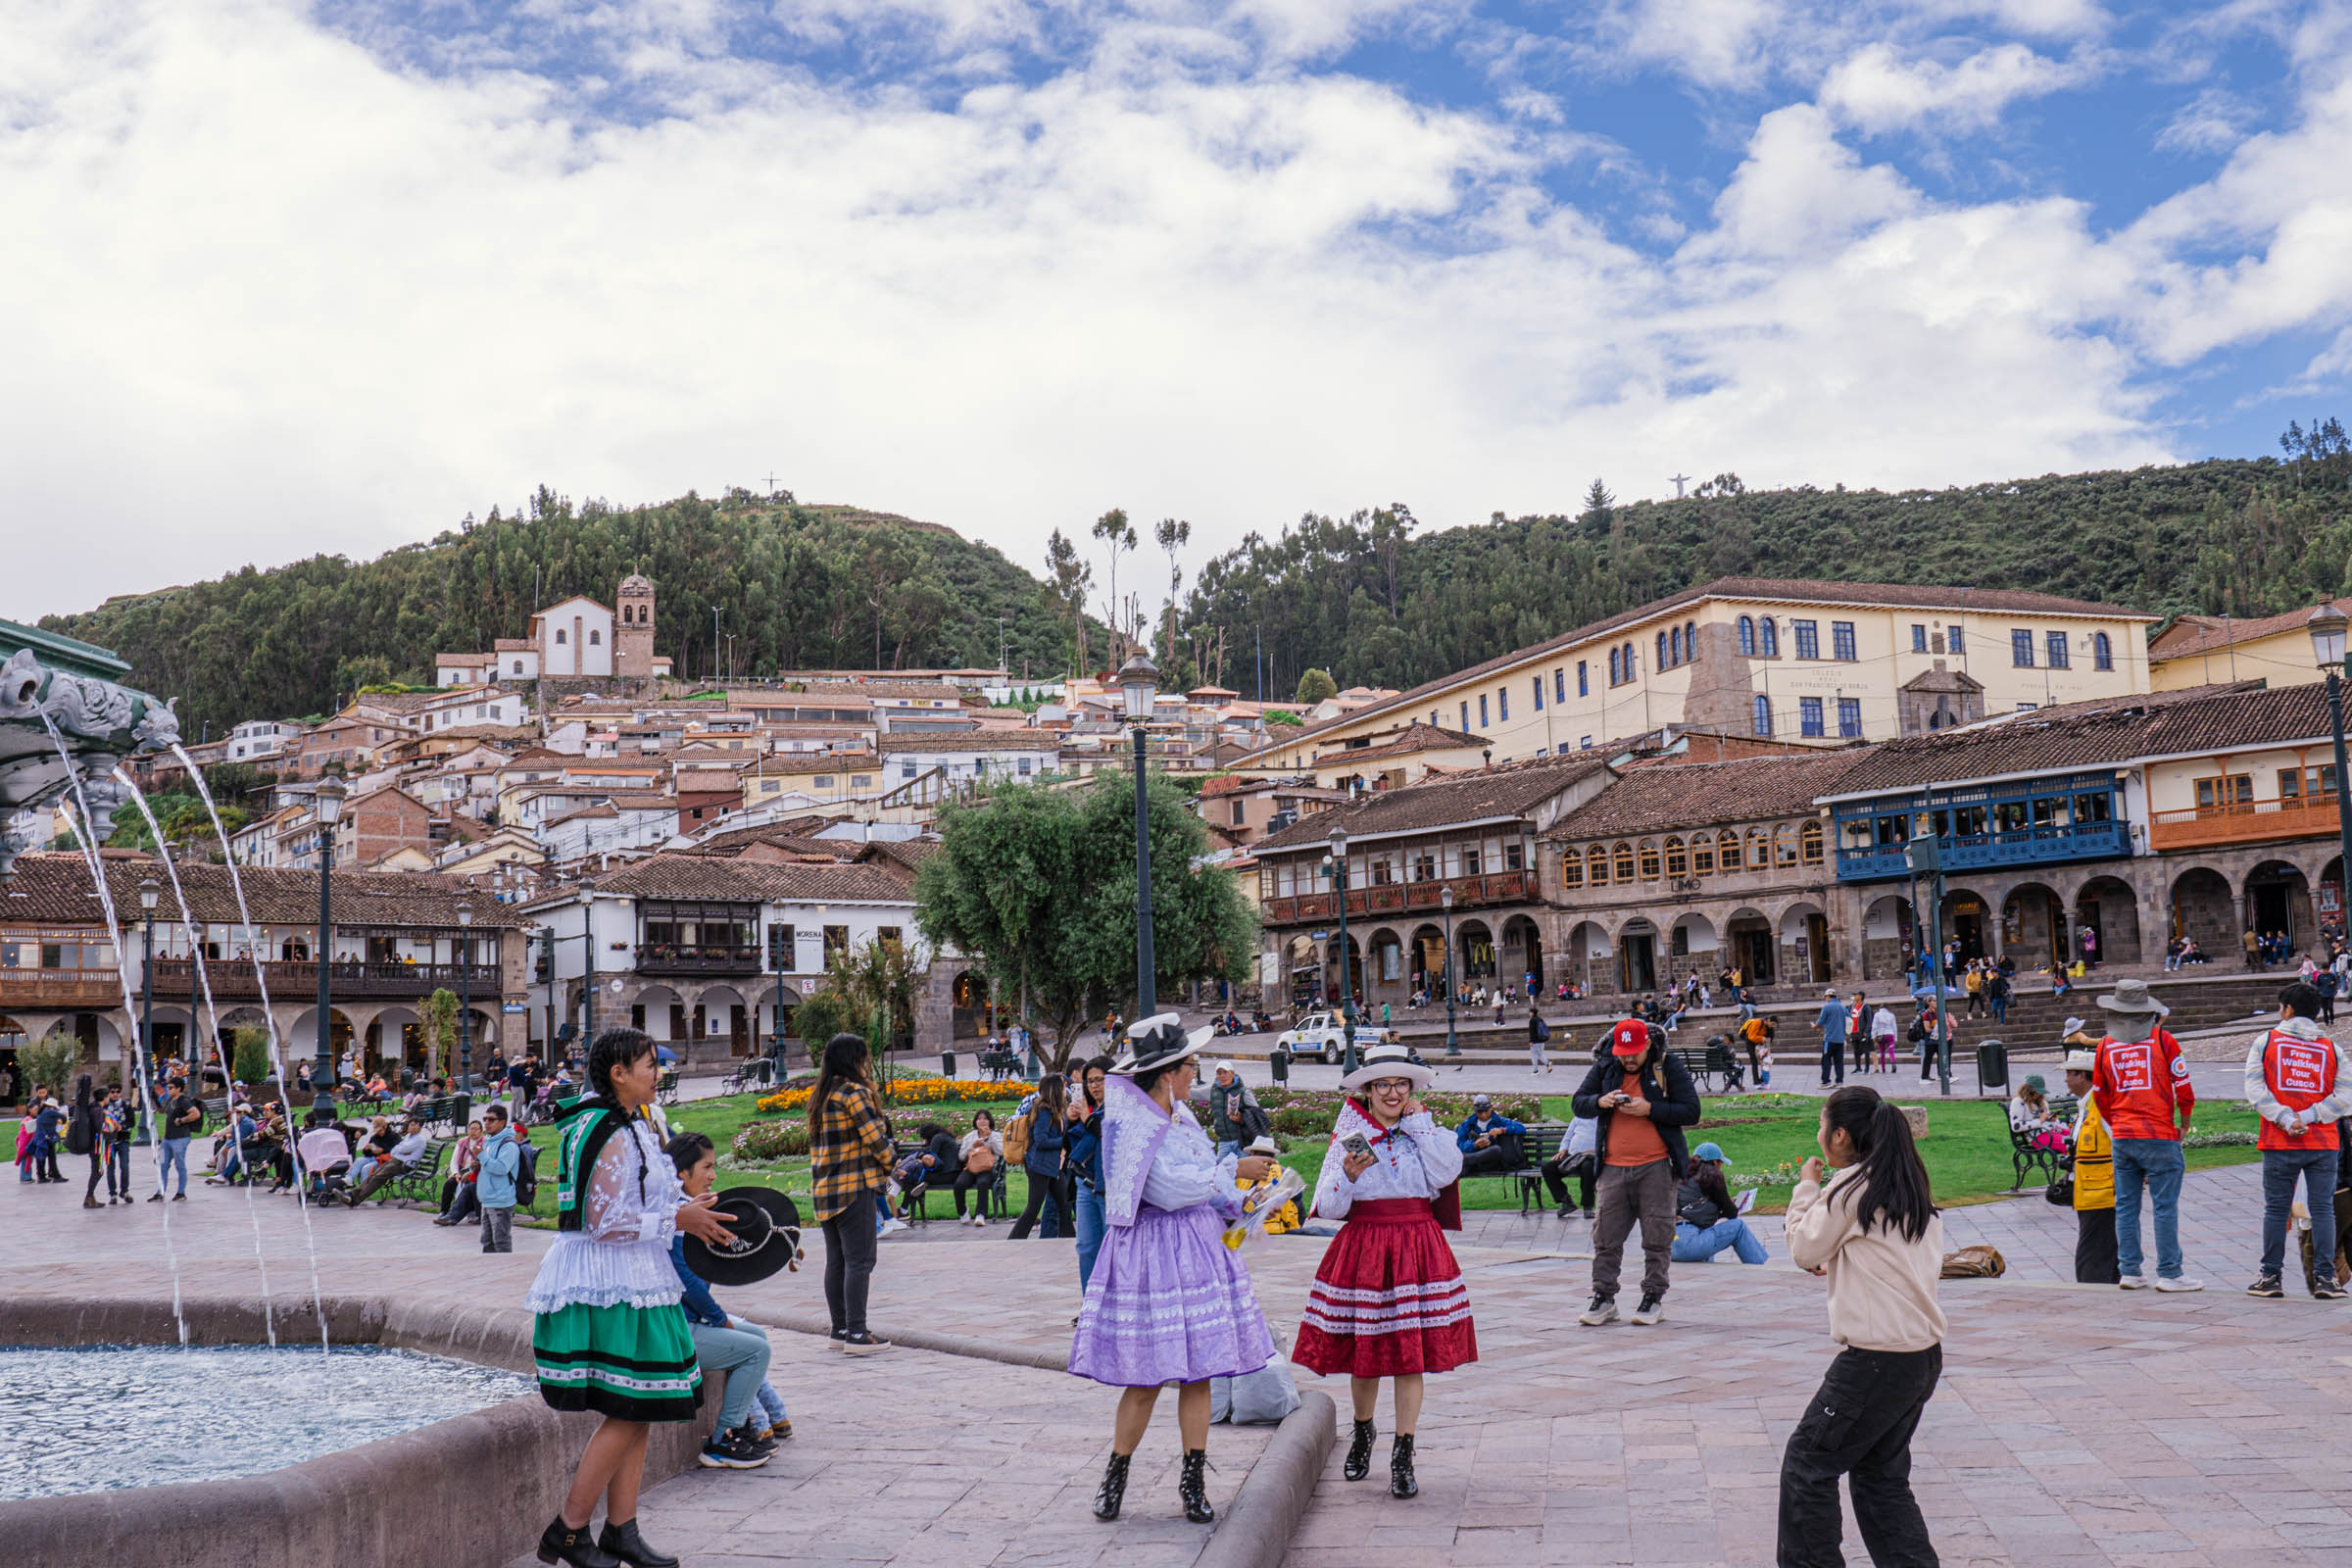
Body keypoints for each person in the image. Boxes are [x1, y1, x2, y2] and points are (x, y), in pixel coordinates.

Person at [526, 1027, 737, 1568]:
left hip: (638, 1277)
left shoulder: (638, 1121)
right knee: (629, 1408)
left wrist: (694, 1212)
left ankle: (621, 1529)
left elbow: (648, 1200)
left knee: (641, 1407)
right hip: (609, 1282)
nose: (658, 1073)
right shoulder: (606, 1127)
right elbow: (602, 1223)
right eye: (649, 1065)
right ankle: (570, 1530)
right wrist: (677, 1217)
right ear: (619, 1074)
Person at [1072, 1014, 1275, 1525]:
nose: (1195, 1073)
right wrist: (1231, 1170)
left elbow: (1203, 1183)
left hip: (1197, 1248)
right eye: (1191, 1065)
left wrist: (1250, 1198)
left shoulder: (1180, 1117)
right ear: (1167, 1072)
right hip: (1153, 1255)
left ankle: (1193, 1480)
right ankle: (1115, 1474)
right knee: (1144, 1377)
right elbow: (1167, 1187)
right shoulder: (1131, 1124)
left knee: (1200, 1372)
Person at [1295, 1040, 1473, 1501]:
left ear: (1411, 1089)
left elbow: (1446, 1173)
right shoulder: (1353, 1138)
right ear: (1368, 1091)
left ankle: (1404, 1454)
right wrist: (1348, 1176)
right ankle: (1363, 1431)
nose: (1392, 1093)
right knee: (1367, 1352)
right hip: (1367, 1247)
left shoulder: (1426, 1131)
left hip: (1418, 1245)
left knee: (1410, 1354)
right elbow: (1330, 1206)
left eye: (1400, 1085)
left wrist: (1418, 1124)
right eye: (1382, 1086)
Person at [1779, 1085, 1946, 1568]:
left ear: (1840, 1136)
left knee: (1807, 1465)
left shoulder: (1849, 1188)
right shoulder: (1908, 1183)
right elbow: (1882, 1257)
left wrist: (1806, 1187)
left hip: (1874, 1363)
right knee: (1880, 1476)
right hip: (1919, 1357)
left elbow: (1804, 1249)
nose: (1819, 1134)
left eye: (1822, 1124)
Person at [1574, 1016, 1701, 1327]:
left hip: (1656, 1167)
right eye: (1623, 1053)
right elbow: (1578, 1103)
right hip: (1613, 1169)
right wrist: (1600, 1101)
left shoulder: (1666, 1066)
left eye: (1634, 1053)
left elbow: (1691, 1110)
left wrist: (1651, 1109)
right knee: (1605, 1237)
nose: (1629, 1059)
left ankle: (1652, 1297)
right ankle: (1604, 1298)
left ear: (1646, 1045)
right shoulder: (1606, 1067)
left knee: (1656, 1237)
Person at [663, 1131, 778, 1469]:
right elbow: (690, 1287)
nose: (714, 1175)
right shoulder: (679, 1221)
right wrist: (718, 1318)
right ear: (682, 1173)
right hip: (676, 1328)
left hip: (689, 1320)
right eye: (707, 1167)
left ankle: (761, 1423)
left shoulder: (689, 1213)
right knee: (758, 1350)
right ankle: (723, 1439)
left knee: (755, 1336)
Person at [2092, 977, 2201, 1293]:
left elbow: (2100, 1095)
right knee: (2164, 1205)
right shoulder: (2164, 1041)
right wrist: (2185, 1121)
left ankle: (2130, 1270)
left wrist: (2117, 1124)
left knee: (2126, 1205)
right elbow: (2183, 1087)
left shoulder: (2104, 1046)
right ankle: (2170, 1272)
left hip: (2124, 1136)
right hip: (2159, 1134)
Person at [2243, 981, 2350, 1300]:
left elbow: (2255, 1091)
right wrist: (2313, 1115)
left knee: (2276, 1210)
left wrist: (2287, 1118)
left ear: (2287, 1010)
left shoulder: (2267, 1042)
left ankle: (2270, 1277)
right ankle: (2325, 1278)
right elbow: (2345, 1096)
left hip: (2280, 1140)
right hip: (2322, 1141)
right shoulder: (2332, 1049)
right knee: (2322, 1210)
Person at [807, 1033, 893, 1353]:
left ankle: (840, 1328)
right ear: (855, 1060)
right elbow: (876, 1139)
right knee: (860, 1260)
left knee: (837, 1261)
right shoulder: (853, 1093)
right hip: (854, 1187)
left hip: (825, 1190)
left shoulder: (821, 1096)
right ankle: (857, 1332)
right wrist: (891, 1160)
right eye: (864, 1058)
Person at [2062, 1050, 2118, 1285]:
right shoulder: (2084, 1106)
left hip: (2102, 1192)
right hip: (2087, 1191)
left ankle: (2093, 1292)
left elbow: (2120, 1140)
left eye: (2069, 1074)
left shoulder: (2101, 1105)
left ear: (2082, 1076)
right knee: (2104, 1248)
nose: (2065, 1079)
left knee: (2091, 1254)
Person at [1670, 1142, 1767, 1264]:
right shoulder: (1712, 1174)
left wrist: (1717, 1207)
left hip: (1671, 1243)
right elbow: (1731, 1213)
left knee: (1706, 1233)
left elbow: (1695, 1212)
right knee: (1738, 1226)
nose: (1721, 1166)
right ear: (1715, 1162)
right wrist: (1732, 1204)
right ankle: (1759, 1268)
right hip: (1687, 1244)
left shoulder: (1683, 1175)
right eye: (1721, 1162)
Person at [1009, 1073, 1069, 1240]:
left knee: (1065, 1204)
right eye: (1064, 1086)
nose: (1066, 1090)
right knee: (1033, 1208)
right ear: (1055, 1089)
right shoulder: (1044, 1111)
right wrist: (1064, 1142)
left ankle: (1069, 1237)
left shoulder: (1059, 1111)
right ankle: (1013, 1241)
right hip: (1039, 1166)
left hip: (1053, 1166)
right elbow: (1041, 1141)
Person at [1071, 1056, 1112, 1291]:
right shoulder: (1089, 1109)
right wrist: (1071, 1121)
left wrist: (1088, 1122)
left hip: (1107, 1187)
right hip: (1085, 1184)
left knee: (1111, 1249)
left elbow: (1110, 1138)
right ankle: (1089, 1305)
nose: (1094, 1086)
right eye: (1090, 1081)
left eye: (1100, 1080)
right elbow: (1074, 1147)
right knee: (1086, 1246)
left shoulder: (1119, 1108)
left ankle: (1111, 1306)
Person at [345, 1117, 430, 1205]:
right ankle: (353, 1193)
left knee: (380, 1176)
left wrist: (399, 1150)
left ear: (420, 1127)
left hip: (405, 1165)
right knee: (375, 1174)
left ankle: (355, 1200)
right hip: (396, 1161)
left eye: (414, 1125)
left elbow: (401, 1149)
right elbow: (395, 1151)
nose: (411, 1127)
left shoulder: (419, 1139)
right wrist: (400, 1151)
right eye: (410, 1125)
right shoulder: (409, 1137)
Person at [474, 1105, 522, 1251]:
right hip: (488, 1199)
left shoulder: (508, 1145)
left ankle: (505, 1268)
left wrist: (482, 1156)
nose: (487, 1123)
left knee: (501, 1241)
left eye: (491, 1119)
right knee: (487, 1242)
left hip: (501, 1200)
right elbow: (489, 1165)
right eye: (485, 1119)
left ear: (502, 1122)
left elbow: (501, 1168)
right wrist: (477, 1163)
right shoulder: (489, 1141)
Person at [1540, 1106, 1598, 1220]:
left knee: (1588, 1168)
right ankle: (1566, 1201)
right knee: (1548, 1168)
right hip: (1573, 1157)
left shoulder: (1603, 1119)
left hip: (1591, 1157)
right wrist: (1563, 1149)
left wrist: (1596, 1150)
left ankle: (1588, 1206)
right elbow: (1568, 1136)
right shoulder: (1578, 1119)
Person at [954, 1107, 1004, 1226]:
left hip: (987, 1168)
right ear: (975, 1122)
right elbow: (961, 1156)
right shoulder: (970, 1136)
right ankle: (963, 1211)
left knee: (983, 1183)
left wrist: (989, 1139)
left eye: (985, 1118)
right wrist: (972, 1147)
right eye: (979, 1118)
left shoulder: (995, 1135)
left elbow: (1001, 1152)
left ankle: (980, 1215)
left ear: (990, 1121)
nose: (982, 1121)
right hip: (971, 1167)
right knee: (959, 1184)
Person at [1454, 1096, 1525, 1176]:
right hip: (1475, 1164)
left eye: (1486, 1111)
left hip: (1495, 1162)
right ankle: (1469, 1160)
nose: (1483, 1115)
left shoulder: (1499, 1121)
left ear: (1491, 1108)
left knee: (1496, 1150)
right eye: (1480, 1112)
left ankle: (1467, 1160)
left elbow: (1521, 1128)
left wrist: (1502, 1130)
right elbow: (1460, 1145)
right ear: (1475, 1111)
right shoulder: (1467, 1124)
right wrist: (1474, 1145)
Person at [436, 1118, 486, 1226]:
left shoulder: (485, 1143)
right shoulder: (462, 1142)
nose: (473, 1131)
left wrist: (471, 1173)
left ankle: (467, 1213)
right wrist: (455, 1173)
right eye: (471, 1129)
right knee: (450, 1183)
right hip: (462, 1171)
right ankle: (444, 1211)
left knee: (470, 1184)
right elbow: (454, 1161)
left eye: (476, 1129)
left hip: (476, 1172)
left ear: (481, 1131)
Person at [1206, 1062, 1258, 1159]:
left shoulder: (1244, 1092)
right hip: (1224, 1142)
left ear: (1232, 1073)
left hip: (1242, 1141)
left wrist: (1241, 1119)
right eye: (1219, 1073)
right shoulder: (1212, 1091)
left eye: (1225, 1072)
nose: (1222, 1076)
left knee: (1244, 1172)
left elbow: (1258, 1115)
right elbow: (1190, 1093)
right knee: (1220, 1171)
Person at [2007, 1076, 2069, 1152]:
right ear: (2028, 1090)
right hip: (2037, 1136)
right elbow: (2016, 1127)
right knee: (2069, 1143)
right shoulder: (2019, 1102)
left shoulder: (2042, 1102)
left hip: (2050, 1131)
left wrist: (2051, 1119)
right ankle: (2069, 1162)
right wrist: (2039, 1121)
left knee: (2077, 1137)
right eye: (2036, 1091)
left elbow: (2045, 1120)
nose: (2039, 1094)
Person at [1815, 989, 1846, 1087]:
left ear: (1828, 996)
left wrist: (1814, 1026)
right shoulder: (1842, 1006)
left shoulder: (1827, 1006)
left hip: (1829, 1039)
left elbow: (1820, 1022)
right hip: (1840, 1039)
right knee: (1839, 1061)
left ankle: (1826, 1081)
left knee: (1826, 1060)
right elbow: (1849, 1018)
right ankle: (1839, 1081)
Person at [1868, 1002, 1898, 1074]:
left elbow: (1874, 1027)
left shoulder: (1877, 1015)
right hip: (1890, 1034)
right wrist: (1895, 1038)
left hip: (1881, 1035)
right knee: (1891, 1051)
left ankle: (1883, 1068)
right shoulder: (1891, 1015)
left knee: (1882, 1052)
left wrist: (1873, 1036)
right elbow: (1894, 1027)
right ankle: (1893, 1062)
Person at [1527, 1005, 1552, 1074]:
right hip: (1542, 1040)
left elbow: (1531, 1032)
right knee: (1540, 1054)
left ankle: (1536, 1071)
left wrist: (1531, 1041)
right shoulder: (1540, 1019)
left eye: (1530, 1012)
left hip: (1535, 1041)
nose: (1529, 1013)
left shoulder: (1532, 1020)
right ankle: (1547, 1063)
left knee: (1534, 1056)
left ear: (1532, 1013)